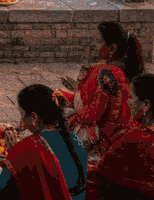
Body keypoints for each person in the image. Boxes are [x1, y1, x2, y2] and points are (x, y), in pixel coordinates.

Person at [85, 73, 154, 200]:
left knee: (83, 187)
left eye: (132, 97)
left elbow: (101, 174)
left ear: (146, 105)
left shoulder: (137, 140)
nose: (129, 102)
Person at [58, 21, 142, 159]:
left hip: (107, 136)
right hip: (122, 129)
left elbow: (88, 115)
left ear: (112, 48)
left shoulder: (105, 73)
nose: (93, 44)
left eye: (97, 41)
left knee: (59, 115)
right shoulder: (121, 67)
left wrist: (77, 89)